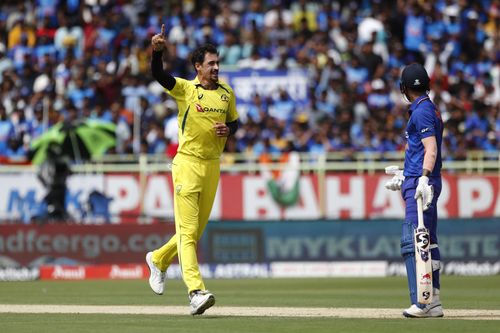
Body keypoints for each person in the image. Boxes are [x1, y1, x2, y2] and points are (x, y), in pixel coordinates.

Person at [145, 24, 239, 315]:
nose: (216, 68)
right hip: (186, 164)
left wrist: (229, 130)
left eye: (217, 63)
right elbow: (159, 75)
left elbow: (235, 123)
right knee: (187, 233)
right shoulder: (187, 89)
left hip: (212, 166)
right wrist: (156, 52)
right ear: (198, 67)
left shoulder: (226, 93)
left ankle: (158, 259)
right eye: (210, 64)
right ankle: (196, 291)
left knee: (194, 232)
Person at [385, 63, 444, 318]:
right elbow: (421, 151)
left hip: (422, 183)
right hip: (419, 179)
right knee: (428, 242)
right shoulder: (429, 109)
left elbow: (431, 150)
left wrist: (422, 178)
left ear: (404, 88)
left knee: (413, 240)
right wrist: (405, 173)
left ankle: (421, 302)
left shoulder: (421, 112)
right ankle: (435, 301)